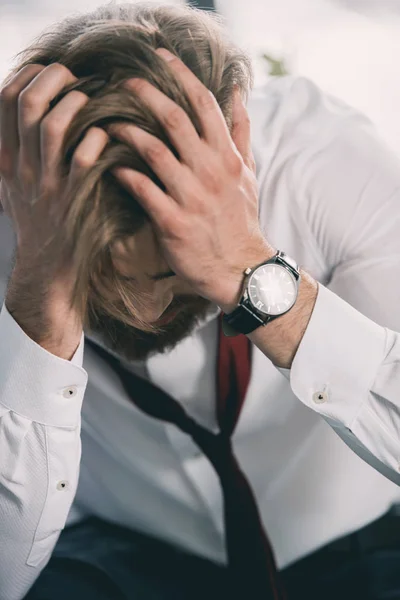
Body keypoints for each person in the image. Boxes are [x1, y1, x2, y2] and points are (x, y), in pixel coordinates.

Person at [0, 2, 400, 599]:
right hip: (114, 550)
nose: (143, 313)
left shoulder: (327, 165)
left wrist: (252, 271)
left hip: (362, 543)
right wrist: (40, 299)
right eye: (106, 277)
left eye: (169, 271)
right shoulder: (18, 209)